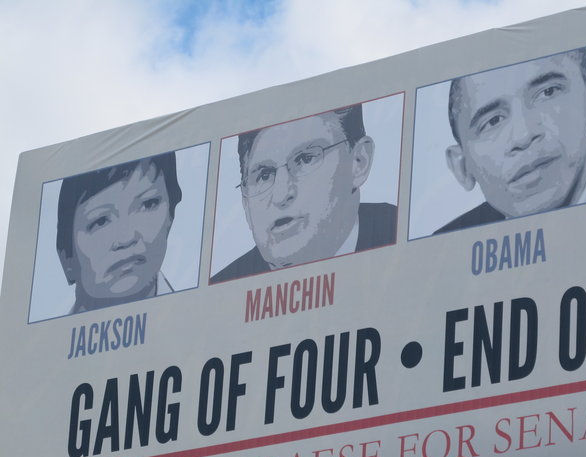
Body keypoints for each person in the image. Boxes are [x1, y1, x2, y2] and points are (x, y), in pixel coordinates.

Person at [437, 46, 586, 234]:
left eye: (548, 92)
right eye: (493, 121)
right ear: (462, 168)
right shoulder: (445, 250)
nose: (523, 135)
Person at [211, 103, 396, 283]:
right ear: (245, 202)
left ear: (358, 162)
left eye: (305, 159)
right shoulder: (219, 297)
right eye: (264, 175)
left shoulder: (406, 234)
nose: (281, 195)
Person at [57, 152, 182, 314]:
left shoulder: (206, 323)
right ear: (66, 258)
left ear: (170, 217)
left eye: (148, 204)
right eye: (101, 221)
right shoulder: (35, 339)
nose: (127, 238)